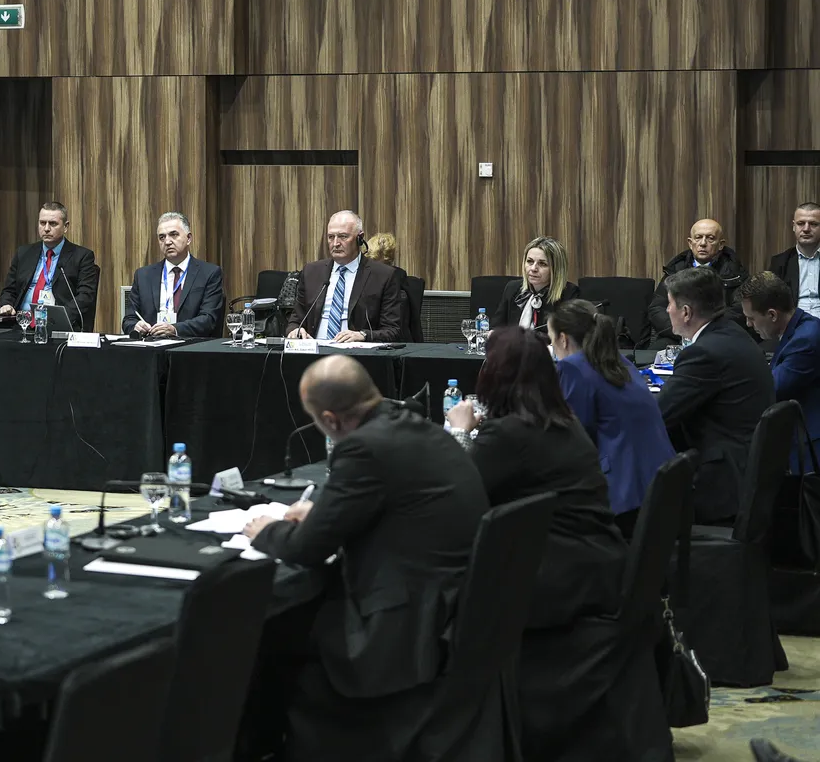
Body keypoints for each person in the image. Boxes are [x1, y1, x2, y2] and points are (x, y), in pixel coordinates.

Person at [243, 355, 489, 758]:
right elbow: (395, 505)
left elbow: (306, 549)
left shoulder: (363, 448)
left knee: (273, 628)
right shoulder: (421, 428)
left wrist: (266, 530)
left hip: (404, 626)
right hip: (452, 605)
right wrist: (323, 513)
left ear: (331, 420)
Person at [446, 327, 627, 627]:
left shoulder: (508, 434)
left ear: (494, 376)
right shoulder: (564, 420)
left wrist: (458, 432)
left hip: (559, 581)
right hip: (600, 565)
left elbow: (457, 495)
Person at [658, 267, 775, 523]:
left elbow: (658, 415)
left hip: (721, 482)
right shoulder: (733, 333)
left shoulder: (703, 353)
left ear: (686, 312)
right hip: (748, 468)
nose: (667, 311)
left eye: (669, 304)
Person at [547, 300, 673, 536]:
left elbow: (572, 438)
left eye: (551, 339)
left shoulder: (573, 368)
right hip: (659, 490)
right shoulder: (620, 361)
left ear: (563, 339)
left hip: (621, 501)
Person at [286, 210, 405, 342]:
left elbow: (393, 330)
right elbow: (296, 320)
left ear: (360, 238)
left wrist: (363, 335)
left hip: (356, 351)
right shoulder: (312, 272)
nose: (335, 243)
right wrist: (295, 330)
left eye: (343, 237)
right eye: (331, 237)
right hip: (315, 349)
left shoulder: (383, 275)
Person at [740, 272, 820, 460]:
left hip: (807, 448)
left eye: (751, 318)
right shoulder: (800, 328)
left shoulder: (806, 340)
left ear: (772, 315)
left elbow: (771, 390)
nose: (748, 324)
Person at [0, 201, 100, 332]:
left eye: (53, 224)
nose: (46, 228)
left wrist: (59, 318)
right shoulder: (24, 253)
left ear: (66, 227)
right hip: (20, 323)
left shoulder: (82, 256)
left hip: (58, 325)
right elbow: (9, 290)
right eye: (42, 223)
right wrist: (6, 304)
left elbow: (85, 296)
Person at [121, 212, 224, 338]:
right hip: (151, 345)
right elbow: (128, 319)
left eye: (173, 235)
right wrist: (135, 326)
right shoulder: (143, 275)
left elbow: (209, 319)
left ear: (189, 238)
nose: (167, 241)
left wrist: (175, 329)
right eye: (162, 237)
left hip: (190, 346)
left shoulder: (209, 273)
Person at [648, 218, 749, 346]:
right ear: (690, 243)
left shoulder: (733, 271)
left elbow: (739, 310)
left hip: (718, 336)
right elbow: (657, 309)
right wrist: (682, 331)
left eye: (710, 238)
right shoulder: (676, 269)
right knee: (656, 350)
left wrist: (701, 331)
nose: (703, 243)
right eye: (698, 238)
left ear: (721, 244)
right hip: (677, 336)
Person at [493, 236, 578, 331]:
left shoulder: (569, 293)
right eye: (530, 261)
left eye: (542, 264)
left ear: (556, 269)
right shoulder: (512, 288)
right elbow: (496, 328)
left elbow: (567, 335)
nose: (533, 268)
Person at [768, 202, 820, 317]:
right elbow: (771, 300)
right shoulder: (780, 262)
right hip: (794, 322)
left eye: (813, 224)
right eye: (801, 223)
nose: (806, 229)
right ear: (793, 226)